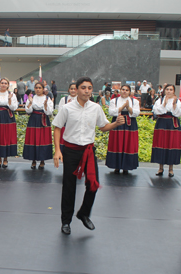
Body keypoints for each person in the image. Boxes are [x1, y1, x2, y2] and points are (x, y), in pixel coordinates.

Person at [53, 77, 124, 235]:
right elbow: (57, 127)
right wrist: (57, 150)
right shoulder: (67, 108)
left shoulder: (96, 108)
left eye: (89, 88)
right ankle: (66, 221)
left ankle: (83, 213)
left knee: (94, 184)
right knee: (69, 187)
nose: (86, 91)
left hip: (88, 151)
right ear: (76, 89)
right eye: (83, 88)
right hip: (70, 151)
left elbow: (103, 126)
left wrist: (116, 124)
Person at [106, 85, 140, 174]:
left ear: (130, 92)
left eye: (127, 90)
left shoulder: (135, 101)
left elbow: (136, 113)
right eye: (123, 90)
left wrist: (128, 107)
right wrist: (122, 107)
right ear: (120, 91)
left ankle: (126, 167)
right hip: (117, 122)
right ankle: (116, 166)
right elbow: (111, 112)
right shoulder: (114, 100)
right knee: (117, 143)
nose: (124, 91)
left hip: (130, 124)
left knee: (129, 143)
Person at [151, 84, 181, 177]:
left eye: (171, 90)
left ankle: (171, 169)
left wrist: (174, 105)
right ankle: (160, 168)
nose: (169, 91)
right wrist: (164, 104)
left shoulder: (177, 101)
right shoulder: (159, 100)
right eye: (167, 89)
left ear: (174, 91)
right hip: (162, 123)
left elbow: (179, 113)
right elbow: (156, 111)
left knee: (171, 144)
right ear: (164, 91)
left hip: (172, 124)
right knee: (161, 144)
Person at [0, 78, 18, 168]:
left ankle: (5, 159)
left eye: (5, 83)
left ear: (8, 85)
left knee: (7, 137)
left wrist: (9, 100)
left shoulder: (12, 95)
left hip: (8, 117)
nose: (4, 85)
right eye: (2, 83)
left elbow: (14, 107)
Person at [23, 82, 53, 169]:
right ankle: (33, 160)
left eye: (40, 87)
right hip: (33, 119)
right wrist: (30, 103)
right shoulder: (31, 98)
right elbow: (28, 111)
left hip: (43, 120)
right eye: (36, 88)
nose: (38, 89)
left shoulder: (47, 98)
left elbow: (50, 112)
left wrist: (45, 105)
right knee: (33, 139)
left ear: (43, 89)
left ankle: (42, 160)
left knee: (42, 140)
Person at [57, 83, 77, 152]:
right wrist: (67, 106)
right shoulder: (63, 99)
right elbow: (60, 112)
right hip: (65, 125)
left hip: (76, 125)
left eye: (75, 89)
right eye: (71, 89)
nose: (73, 90)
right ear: (68, 90)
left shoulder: (80, 100)